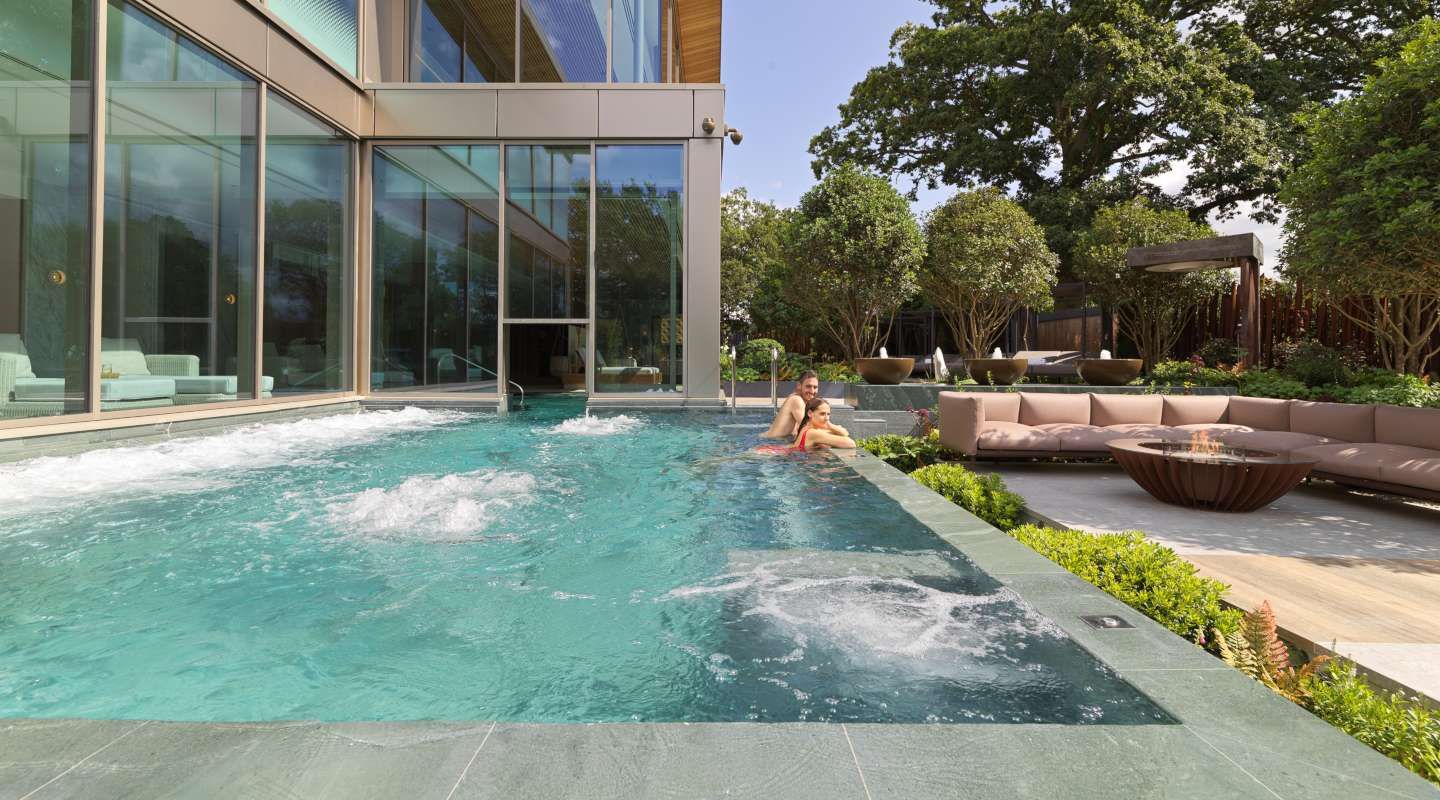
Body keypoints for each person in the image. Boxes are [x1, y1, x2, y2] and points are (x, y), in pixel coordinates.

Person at [762, 371, 820, 439]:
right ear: (799, 385)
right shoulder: (796, 400)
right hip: (772, 443)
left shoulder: (799, 400)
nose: (812, 391)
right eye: (808, 386)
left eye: (815, 387)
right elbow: (810, 429)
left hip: (773, 440)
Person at [791, 397, 856, 452]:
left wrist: (830, 426)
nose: (827, 418)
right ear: (810, 413)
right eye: (822, 414)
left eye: (828, 414)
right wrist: (831, 427)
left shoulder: (806, 427)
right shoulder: (812, 433)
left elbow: (845, 433)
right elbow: (851, 443)